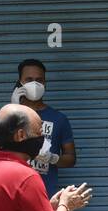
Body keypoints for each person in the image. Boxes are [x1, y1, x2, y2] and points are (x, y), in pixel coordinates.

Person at [14, 59, 76, 192]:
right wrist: (14, 110)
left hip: (46, 195)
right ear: (20, 83)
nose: (34, 84)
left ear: (45, 84)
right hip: (15, 192)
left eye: (39, 80)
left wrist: (51, 158)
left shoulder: (59, 119)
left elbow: (71, 159)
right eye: (29, 80)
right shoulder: (8, 115)